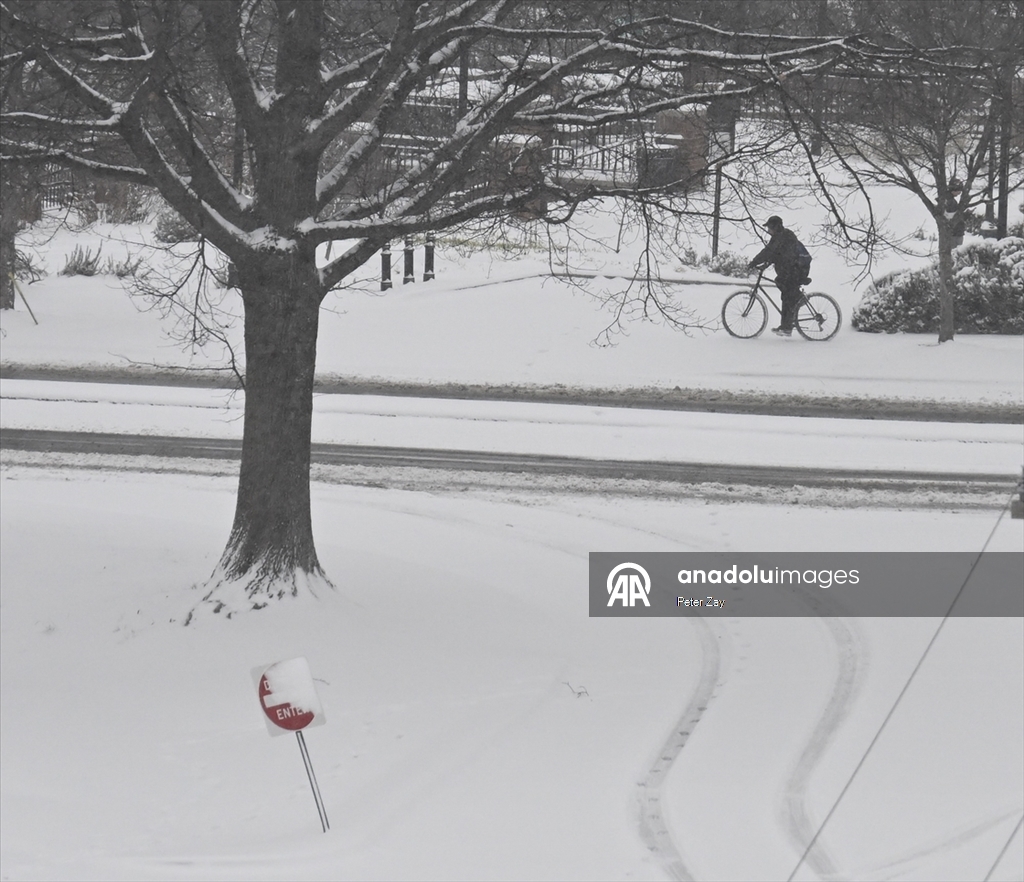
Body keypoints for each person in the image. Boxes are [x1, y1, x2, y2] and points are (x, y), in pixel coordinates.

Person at [747, 216, 811, 337]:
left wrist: (755, 263)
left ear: (776, 227)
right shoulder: (779, 237)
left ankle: (788, 324)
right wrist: (763, 264)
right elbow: (774, 254)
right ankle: (787, 322)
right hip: (790, 270)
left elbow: (770, 252)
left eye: (770, 227)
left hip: (797, 270)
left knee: (787, 295)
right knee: (784, 291)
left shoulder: (784, 237)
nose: (768, 230)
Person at [944, 179, 966, 248]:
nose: (960, 192)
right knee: (955, 252)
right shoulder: (950, 202)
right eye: (959, 191)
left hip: (954, 232)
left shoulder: (948, 199)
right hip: (955, 233)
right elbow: (952, 217)